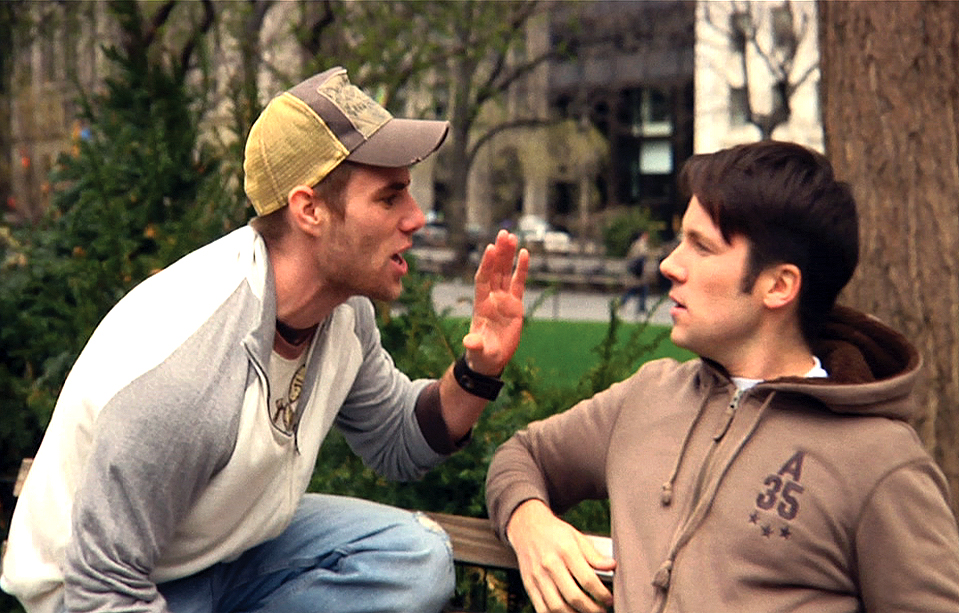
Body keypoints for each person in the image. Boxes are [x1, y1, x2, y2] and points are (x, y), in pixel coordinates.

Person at [1, 66, 530, 613]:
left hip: (219, 554)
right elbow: (100, 589)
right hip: (95, 588)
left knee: (415, 558)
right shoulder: (188, 373)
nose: (416, 219)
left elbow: (398, 439)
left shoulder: (342, 313)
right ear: (309, 210)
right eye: (389, 198)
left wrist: (478, 370)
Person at [485, 140, 959, 613]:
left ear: (778, 286)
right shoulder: (647, 397)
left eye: (702, 247)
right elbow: (521, 457)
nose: (669, 265)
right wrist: (530, 525)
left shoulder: (878, 461)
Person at [620, 231, 650, 314]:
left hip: (635, 271)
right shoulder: (641, 244)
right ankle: (640, 307)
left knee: (636, 289)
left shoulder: (634, 244)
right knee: (640, 289)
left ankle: (639, 306)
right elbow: (642, 256)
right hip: (639, 272)